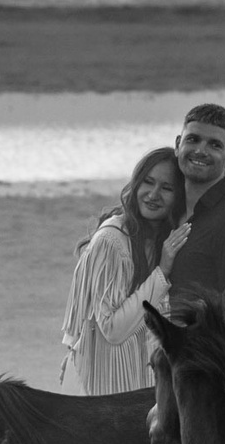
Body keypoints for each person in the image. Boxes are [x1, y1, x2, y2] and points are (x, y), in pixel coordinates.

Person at [148, 102, 225, 444]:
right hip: (151, 360)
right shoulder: (164, 208)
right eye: (194, 140)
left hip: (192, 390)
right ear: (177, 143)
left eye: (214, 145)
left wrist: (191, 394)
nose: (201, 150)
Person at [57, 147, 189, 394]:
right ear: (136, 184)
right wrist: (161, 273)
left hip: (129, 388)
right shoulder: (112, 241)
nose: (153, 194)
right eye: (147, 183)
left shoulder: (157, 239)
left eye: (167, 188)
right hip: (98, 393)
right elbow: (113, 329)